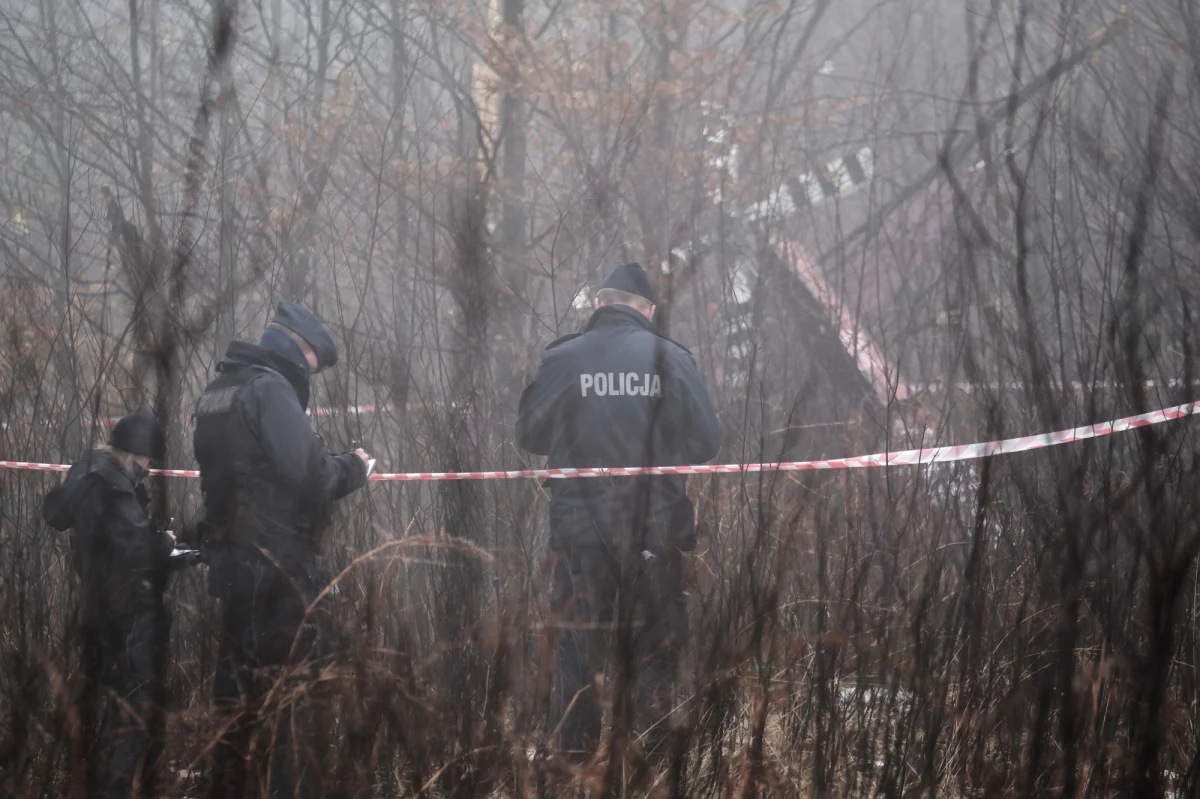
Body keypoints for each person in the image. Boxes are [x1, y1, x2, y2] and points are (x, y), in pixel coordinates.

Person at [516, 262, 723, 760]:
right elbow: (707, 441)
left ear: (598, 304)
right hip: (655, 529)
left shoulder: (563, 358)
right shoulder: (670, 357)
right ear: (648, 311)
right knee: (654, 647)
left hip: (579, 534)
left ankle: (574, 764)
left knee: (577, 649)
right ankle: (648, 764)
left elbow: (530, 435)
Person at [192, 301, 372, 799]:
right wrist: (354, 467)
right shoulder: (269, 390)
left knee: (235, 697)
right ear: (298, 347)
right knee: (292, 701)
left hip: (231, 565)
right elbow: (310, 474)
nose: (312, 372)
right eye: (314, 361)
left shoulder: (218, 391)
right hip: (277, 567)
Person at [43, 406, 181, 798]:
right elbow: (136, 549)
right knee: (132, 709)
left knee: (99, 704)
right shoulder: (115, 486)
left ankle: (87, 782)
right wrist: (165, 544)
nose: (149, 468)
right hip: (127, 611)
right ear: (135, 453)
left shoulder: (87, 472)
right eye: (148, 460)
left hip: (96, 604)